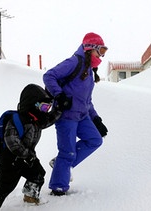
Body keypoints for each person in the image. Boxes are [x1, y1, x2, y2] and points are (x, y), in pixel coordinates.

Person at [43, 32, 109, 196]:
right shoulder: (74, 62)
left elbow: (87, 100)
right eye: (100, 51)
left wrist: (96, 118)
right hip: (66, 116)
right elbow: (49, 76)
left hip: (83, 116)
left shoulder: (89, 70)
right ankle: (58, 188)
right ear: (90, 48)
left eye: (104, 52)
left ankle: (60, 164)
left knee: (95, 140)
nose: (101, 55)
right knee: (68, 152)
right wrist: (60, 95)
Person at [0, 84, 61, 210]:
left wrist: (60, 109)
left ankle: (30, 197)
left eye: (48, 107)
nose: (46, 110)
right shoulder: (17, 119)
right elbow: (12, 141)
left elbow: (49, 120)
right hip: (11, 159)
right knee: (5, 186)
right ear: (32, 104)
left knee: (38, 174)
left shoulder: (37, 119)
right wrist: (26, 155)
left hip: (27, 157)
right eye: (44, 107)